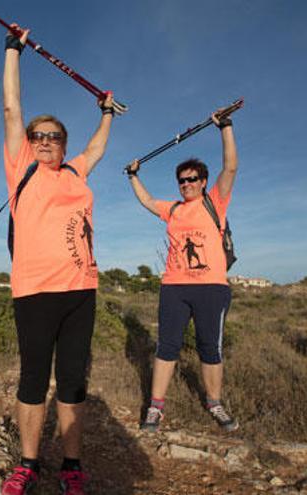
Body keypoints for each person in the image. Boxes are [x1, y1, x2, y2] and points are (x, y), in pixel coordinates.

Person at [0, 26, 114, 495]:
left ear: (64, 145)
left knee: (72, 380)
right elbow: (12, 107)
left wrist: (106, 112)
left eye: (54, 136)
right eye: (38, 136)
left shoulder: (75, 170)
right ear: (29, 142)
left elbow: (98, 147)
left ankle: (71, 464)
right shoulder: (21, 165)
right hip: (35, 291)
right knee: (32, 379)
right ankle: (28, 463)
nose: (45, 141)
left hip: (80, 292)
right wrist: (13, 51)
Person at [125, 108, 239, 433]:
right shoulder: (172, 210)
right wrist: (134, 175)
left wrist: (225, 127)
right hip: (174, 287)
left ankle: (214, 403)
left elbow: (230, 166)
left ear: (203, 182)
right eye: (182, 180)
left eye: (192, 180)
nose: (186, 184)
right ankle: (155, 407)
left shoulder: (213, 202)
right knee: (167, 346)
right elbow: (147, 201)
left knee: (210, 348)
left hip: (212, 287)